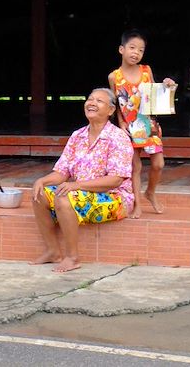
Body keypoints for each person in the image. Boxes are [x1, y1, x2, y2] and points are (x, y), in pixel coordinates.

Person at [30, 88, 135, 273]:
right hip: (81, 193)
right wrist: (42, 180)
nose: (92, 103)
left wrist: (76, 185)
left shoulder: (118, 138)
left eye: (99, 101)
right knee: (40, 194)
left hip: (115, 198)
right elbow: (62, 172)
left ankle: (73, 257)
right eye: (90, 99)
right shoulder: (77, 135)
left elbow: (115, 180)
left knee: (64, 197)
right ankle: (53, 251)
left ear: (111, 111)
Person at [108, 29, 177, 216]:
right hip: (129, 127)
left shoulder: (146, 71)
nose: (136, 52)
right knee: (135, 168)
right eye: (132, 48)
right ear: (121, 49)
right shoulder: (114, 77)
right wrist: (121, 122)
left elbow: (154, 91)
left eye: (140, 50)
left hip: (149, 124)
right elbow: (114, 102)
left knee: (158, 164)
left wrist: (167, 85)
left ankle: (151, 192)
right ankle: (137, 203)